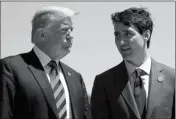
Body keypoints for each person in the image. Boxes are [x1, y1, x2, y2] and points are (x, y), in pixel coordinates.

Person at [0, 6, 91, 119]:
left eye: (71, 30)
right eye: (64, 30)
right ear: (42, 34)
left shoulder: (76, 78)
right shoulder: (10, 68)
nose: (71, 36)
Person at [91, 7, 175, 119]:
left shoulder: (172, 78)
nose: (121, 42)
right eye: (117, 35)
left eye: (128, 34)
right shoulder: (103, 83)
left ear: (146, 35)